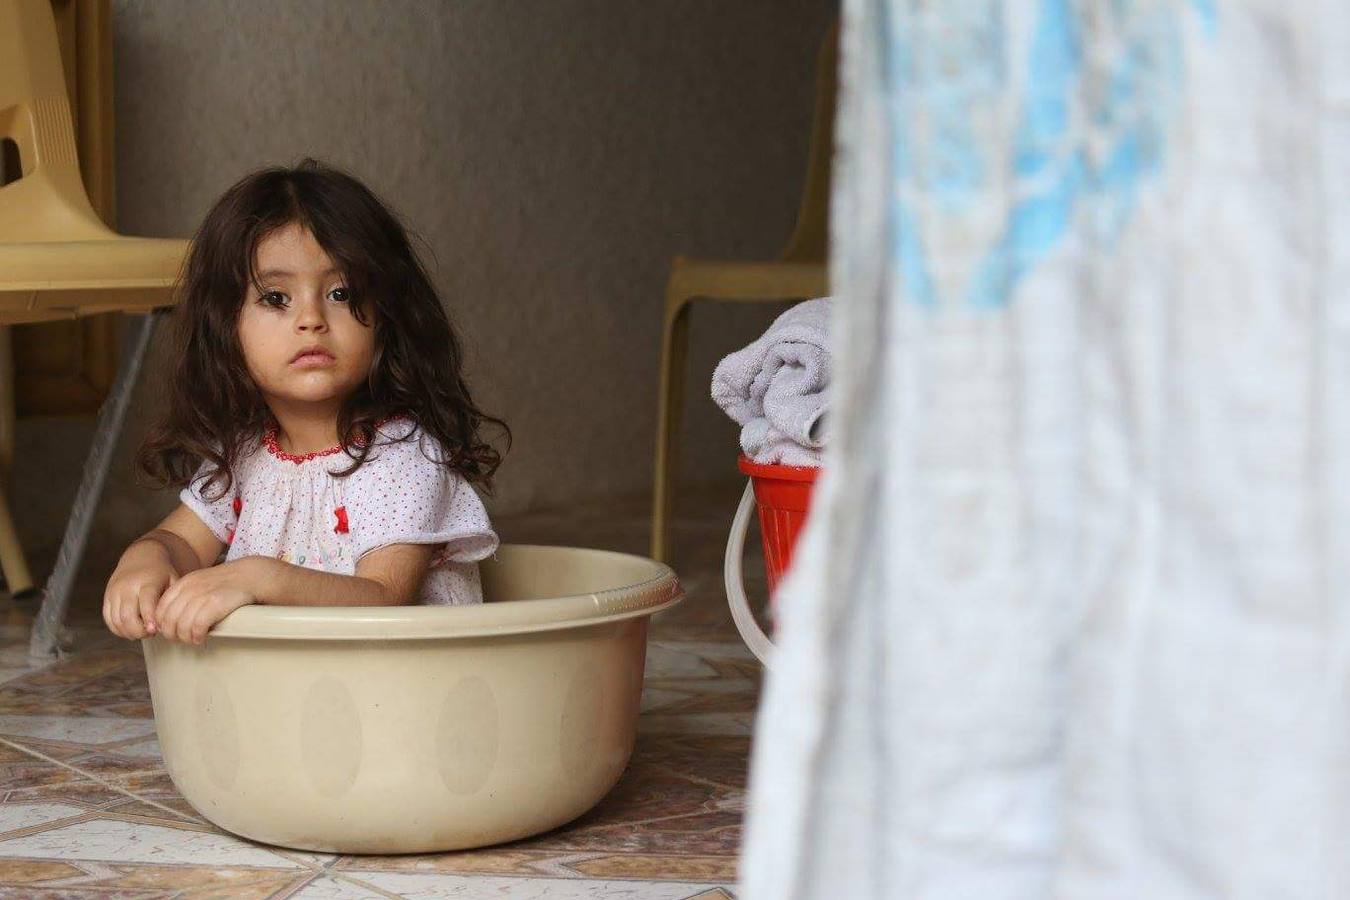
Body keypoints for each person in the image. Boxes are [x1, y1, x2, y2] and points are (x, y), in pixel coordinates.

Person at [103, 158, 508, 645]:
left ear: (386, 317)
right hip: (301, 685)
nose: (311, 318)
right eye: (276, 298)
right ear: (226, 326)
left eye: (341, 293)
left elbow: (384, 598)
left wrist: (259, 577)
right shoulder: (244, 454)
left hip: (404, 684)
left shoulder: (403, 456)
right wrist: (146, 557)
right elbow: (179, 541)